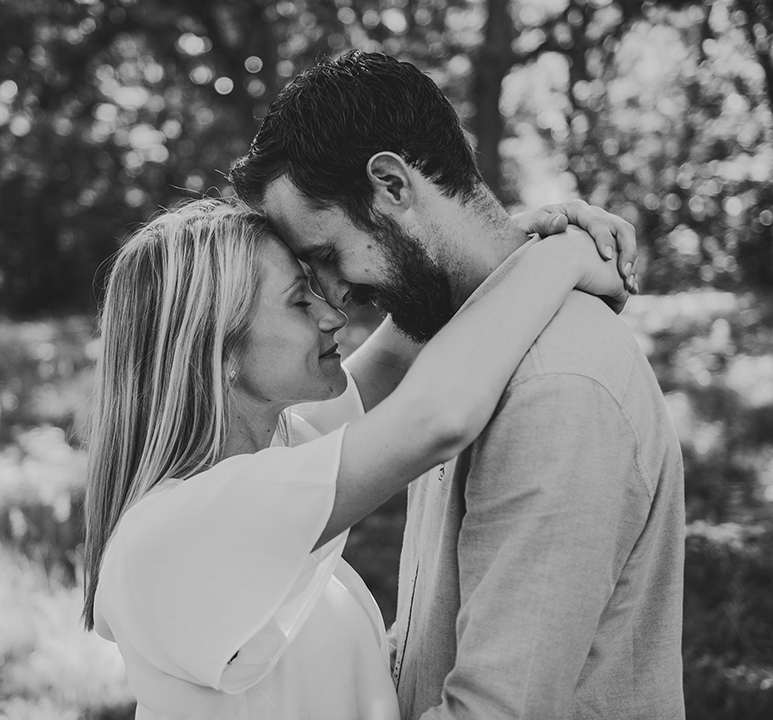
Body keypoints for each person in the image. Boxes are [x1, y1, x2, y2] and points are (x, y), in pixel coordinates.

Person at [230, 50, 685, 720]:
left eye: (328, 256)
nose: (337, 298)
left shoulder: (553, 390)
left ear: (391, 185)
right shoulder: (461, 352)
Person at [82, 195, 636, 719]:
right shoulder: (185, 529)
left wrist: (508, 243)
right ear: (219, 349)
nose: (332, 317)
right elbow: (438, 415)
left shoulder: (276, 449)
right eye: (299, 301)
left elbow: (394, 358)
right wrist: (565, 258)